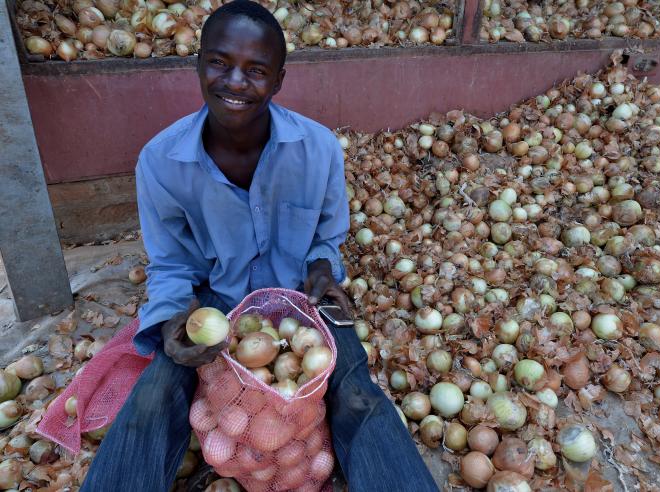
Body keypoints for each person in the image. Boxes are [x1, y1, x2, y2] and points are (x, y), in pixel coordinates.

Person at [79, 1, 437, 491]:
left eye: (256, 70)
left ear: (279, 80)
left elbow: (326, 237)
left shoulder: (318, 149)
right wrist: (169, 324)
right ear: (199, 63)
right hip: (215, 304)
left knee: (356, 393)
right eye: (220, 63)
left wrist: (322, 271)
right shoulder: (161, 161)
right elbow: (170, 263)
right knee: (155, 396)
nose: (235, 82)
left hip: (303, 303)